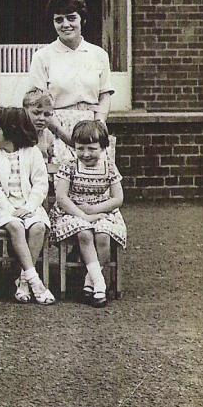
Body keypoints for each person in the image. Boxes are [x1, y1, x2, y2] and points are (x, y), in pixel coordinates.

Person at [0, 106, 55, 305]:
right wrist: (10, 209)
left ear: (11, 130)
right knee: (15, 226)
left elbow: (41, 184)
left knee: (38, 226)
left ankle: (24, 282)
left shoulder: (32, 153)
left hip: (27, 205)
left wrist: (30, 207)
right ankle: (36, 282)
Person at [28, 0, 115, 164]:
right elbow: (38, 102)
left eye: (71, 18)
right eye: (59, 19)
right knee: (59, 185)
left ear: (82, 19)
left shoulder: (98, 54)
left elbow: (104, 96)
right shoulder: (42, 56)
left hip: (92, 130)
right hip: (55, 129)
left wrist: (98, 125)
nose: (65, 24)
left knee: (94, 184)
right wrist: (63, 134)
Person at [50, 120, 126, 308]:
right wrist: (83, 215)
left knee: (103, 235)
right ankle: (100, 283)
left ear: (103, 147)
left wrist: (94, 210)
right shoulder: (69, 166)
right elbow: (61, 197)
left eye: (92, 149)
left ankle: (90, 282)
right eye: (80, 148)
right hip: (72, 211)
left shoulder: (109, 167)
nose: (85, 154)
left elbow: (118, 198)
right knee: (84, 233)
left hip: (102, 211)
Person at [22, 87, 58, 167]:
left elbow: (52, 163)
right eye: (36, 113)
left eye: (47, 114)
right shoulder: (17, 133)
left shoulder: (49, 136)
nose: (41, 118)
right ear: (24, 111)